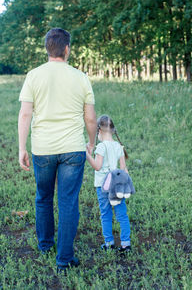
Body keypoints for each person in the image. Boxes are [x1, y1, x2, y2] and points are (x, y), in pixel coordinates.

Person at [18, 28, 97, 272]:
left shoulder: (34, 75)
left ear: (47, 49)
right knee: (68, 202)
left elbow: (25, 114)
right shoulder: (81, 77)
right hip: (73, 149)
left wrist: (22, 147)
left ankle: (45, 245)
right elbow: (91, 118)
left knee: (43, 197)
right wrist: (92, 143)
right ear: (66, 49)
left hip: (42, 149)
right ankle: (64, 259)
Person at [86, 115, 131, 252]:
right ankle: (125, 244)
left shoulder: (101, 147)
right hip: (117, 186)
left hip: (103, 186)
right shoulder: (118, 146)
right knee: (122, 214)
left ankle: (109, 243)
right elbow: (123, 168)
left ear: (98, 131)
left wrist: (87, 154)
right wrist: (126, 184)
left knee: (105, 214)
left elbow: (97, 166)